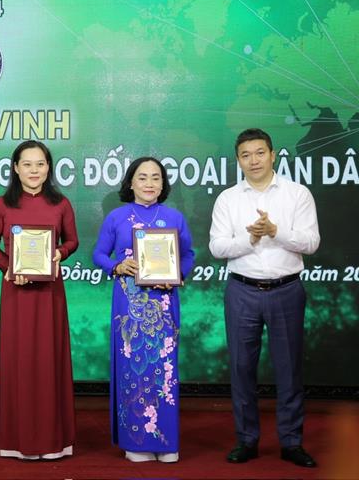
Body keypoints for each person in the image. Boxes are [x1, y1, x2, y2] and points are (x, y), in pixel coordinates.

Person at [209, 128, 320, 468]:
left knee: (289, 369)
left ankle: (291, 442)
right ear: (238, 160)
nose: (253, 160)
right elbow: (217, 247)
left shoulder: (297, 194)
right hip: (242, 291)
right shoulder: (228, 199)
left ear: (273, 155)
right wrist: (251, 239)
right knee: (241, 368)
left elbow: (311, 242)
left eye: (260, 153)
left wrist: (275, 231)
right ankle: (246, 440)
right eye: (246, 155)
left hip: (287, 289)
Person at [92, 156, 194, 463]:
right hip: (130, 305)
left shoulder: (175, 217)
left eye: (156, 178)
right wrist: (117, 265)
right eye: (142, 177)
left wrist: (178, 275)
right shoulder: (117, 217)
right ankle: (136, 441)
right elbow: (99, 254)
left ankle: (167, 442)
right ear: (131, 183)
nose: (149, 183)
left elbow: (188, 255)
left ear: (163, 184)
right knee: (132, 368)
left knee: (165, 369)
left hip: (164, 302)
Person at [0, 140, 78, 460]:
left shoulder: (61, 204)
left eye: (40, 164)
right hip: (17, 292)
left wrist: (60, 252)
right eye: (27, 164)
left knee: (50, 359)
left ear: (48, 167)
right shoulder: (1, 205)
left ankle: (53, 441)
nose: (34, 170)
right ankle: (16, 440)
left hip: (50, 294)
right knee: (18, 360)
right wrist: (9, 269)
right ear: (15, 168)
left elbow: (73, 241)